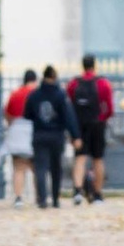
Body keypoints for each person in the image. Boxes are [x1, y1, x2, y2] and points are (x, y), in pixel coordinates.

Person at [26, 62, 75, 208]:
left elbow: (27, 114)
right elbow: (68, 117)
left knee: (40, 168)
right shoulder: (60, 95)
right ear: (54, 77)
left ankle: (42, 199)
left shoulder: (34, 95)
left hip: (39, 134)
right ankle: (55, 199)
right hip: (56, 135)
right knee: (56, 168)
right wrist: (74, 135)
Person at [68, 53, 116, 202]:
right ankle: (97, 194)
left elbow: (69, 105)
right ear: (94, 65)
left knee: (80, 158)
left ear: (82, 65)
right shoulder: (102, 83)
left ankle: (77, 191)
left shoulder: (74, 83)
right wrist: (102, 119)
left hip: (80, 125)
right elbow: (109, 108)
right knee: (98, 159)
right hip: (97, 125)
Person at [2, 69, 35, 206]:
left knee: (19, 167)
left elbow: (8, 114)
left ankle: (18, 197)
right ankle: (40, 196)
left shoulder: (15, 94)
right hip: (33, 131)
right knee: (37, 167)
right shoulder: (36, 94)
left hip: (17, 132)